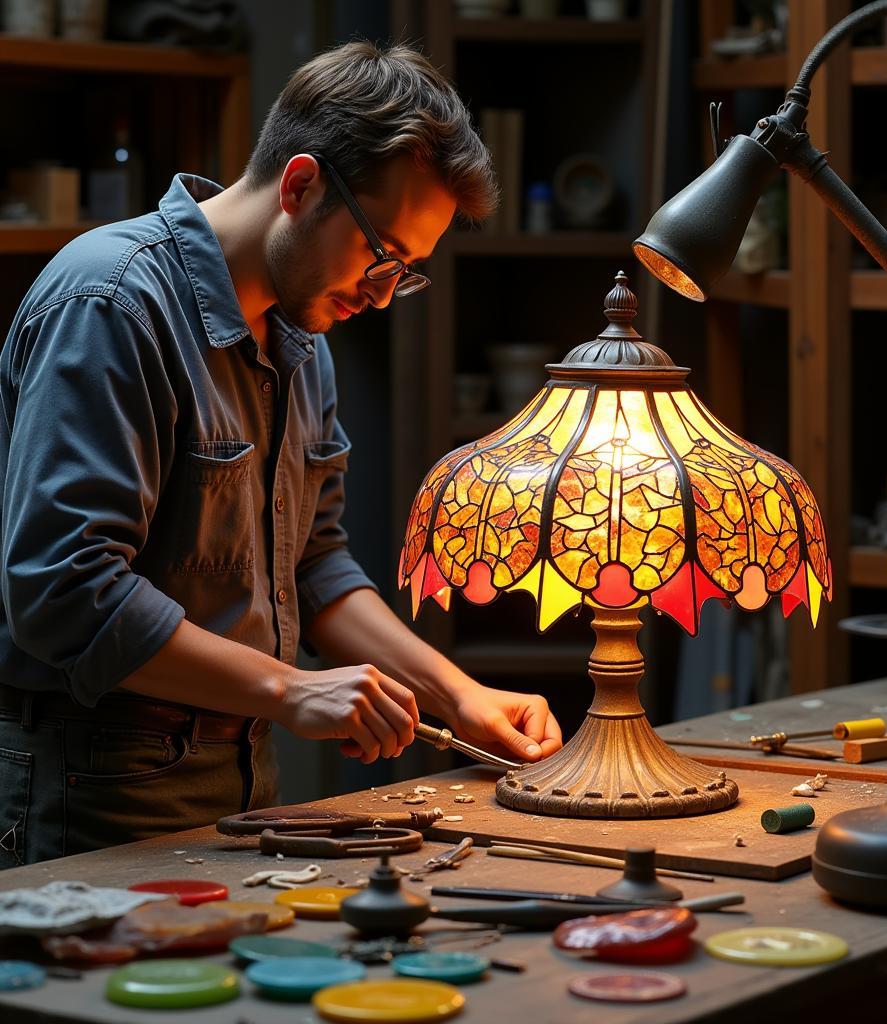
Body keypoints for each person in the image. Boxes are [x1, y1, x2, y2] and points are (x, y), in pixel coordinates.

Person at [0, 41, 562, 867]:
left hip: (238, 778)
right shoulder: (112, 301)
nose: (380, 293)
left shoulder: (301, 335)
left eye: (404, 273)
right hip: (88, 784)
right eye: (383, 255)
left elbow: (315, 566)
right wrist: (292, 689)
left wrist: (459, 693)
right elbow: (60, 590)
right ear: (300, 185)